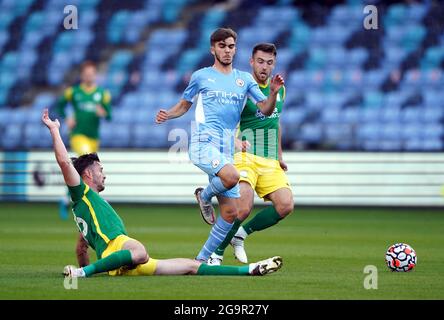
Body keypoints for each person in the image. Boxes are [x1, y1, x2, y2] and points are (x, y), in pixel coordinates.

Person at [41, 108, 282, 278]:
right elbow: (64, 162)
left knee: (191, 266)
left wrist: (87, 266)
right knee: (140, 251)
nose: (104, 173)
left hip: (122, 260)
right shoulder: (81, 193)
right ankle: (84, 274)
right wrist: (54, 130)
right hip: (122, 249)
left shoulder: (86, 208)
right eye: (100, 169)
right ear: (87, 176)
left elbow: (80, 248)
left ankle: (249, 270)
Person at [155, 28, 284, 263]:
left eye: (231, 46)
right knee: (232, 176)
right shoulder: (201, 76)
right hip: (204, 141)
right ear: (212, 48)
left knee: (231, 213)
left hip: (226, 147)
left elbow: (265, 109)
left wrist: (273, 93)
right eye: (222, 46)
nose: (227, 51)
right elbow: (184, 105)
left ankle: (202, 260)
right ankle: (204, 196)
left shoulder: (243, 79)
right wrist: (168, 114)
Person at [208, 43, 294, 265]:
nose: (264, 67)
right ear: (251, 61)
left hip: (270, 157)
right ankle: (215, 254)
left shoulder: (280, 88)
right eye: (260, 61)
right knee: (242, 207)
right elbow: (222, 118)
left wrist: (280, 156)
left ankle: (240, 235)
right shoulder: (241, 86)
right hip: (246, 154)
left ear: (274, 64)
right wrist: (233, 140)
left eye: (269, 62)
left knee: (285, 205)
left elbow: (276, 122)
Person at [55, 60, 112, 220]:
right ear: (82, 75)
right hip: (78, 134)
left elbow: (109, 115)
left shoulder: (102, 93)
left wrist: (103, 113)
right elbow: (59, 106)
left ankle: (66, 199)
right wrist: (67, 117)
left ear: (95, 75)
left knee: (82, 170)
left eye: (91, 74)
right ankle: (87, 200)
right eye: (86, 74)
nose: (89, 76)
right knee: (86, 162)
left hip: (94, 137)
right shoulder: (73, 92)